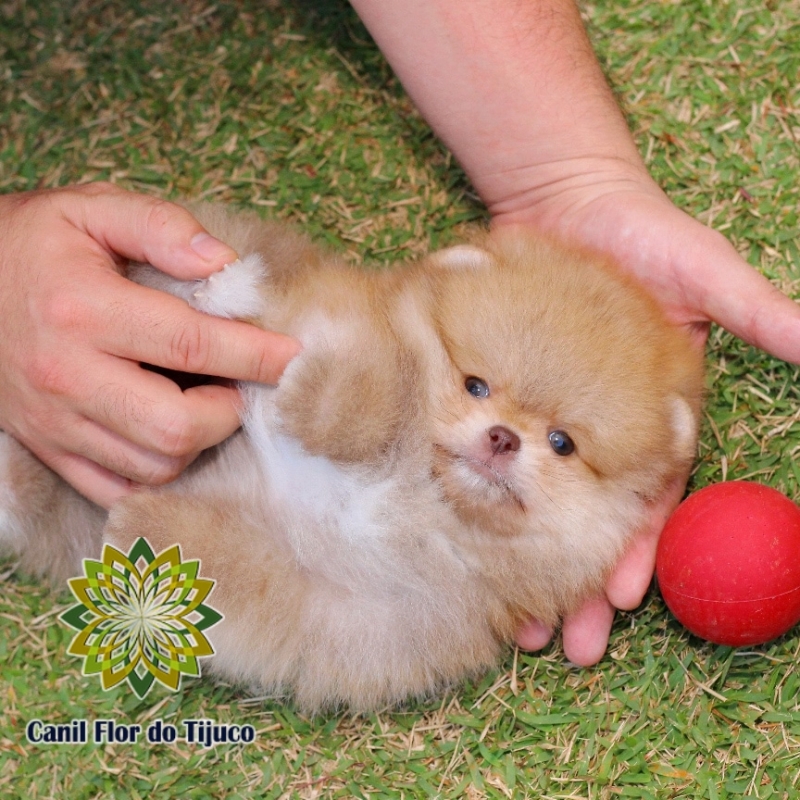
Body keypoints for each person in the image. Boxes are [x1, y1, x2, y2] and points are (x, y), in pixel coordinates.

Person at [2, 0, 798, 665]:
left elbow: (302, 638)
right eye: (478, 387)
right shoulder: (401, 344)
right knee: (243, 285)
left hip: (139, 512)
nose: (501, 437)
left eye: (562, 444)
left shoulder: (432, 621)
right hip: (155, 346)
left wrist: (573, 175)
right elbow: (344, 325)